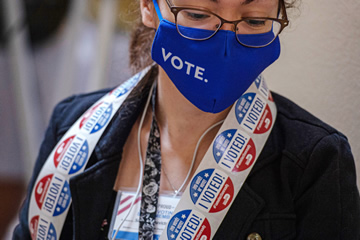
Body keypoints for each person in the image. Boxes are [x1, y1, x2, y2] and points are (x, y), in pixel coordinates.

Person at [13, 0, 360, 239]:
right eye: (197, 14)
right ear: (150, 7)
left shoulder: (313, 161)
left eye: (254, 19)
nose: (226, 40)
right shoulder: (73, 128)